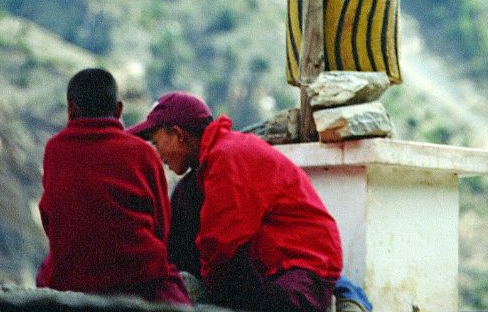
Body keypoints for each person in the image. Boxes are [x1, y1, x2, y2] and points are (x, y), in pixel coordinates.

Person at [129, 92, 343, 312]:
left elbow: (221, 244)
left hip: (302, 269)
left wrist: (197, 291)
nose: (158, 154)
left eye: (157, 143)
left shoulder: (226, 157)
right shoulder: (209, 164)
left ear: (178, 134)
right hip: (271, 265)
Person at [36, 69, 191, 303]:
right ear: (118, 110)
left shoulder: (55, 149)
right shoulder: (143, 153)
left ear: (71, 109)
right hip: (139, 278)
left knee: (43, 274)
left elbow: (50, 216)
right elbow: (161, 225)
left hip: (72, 277)